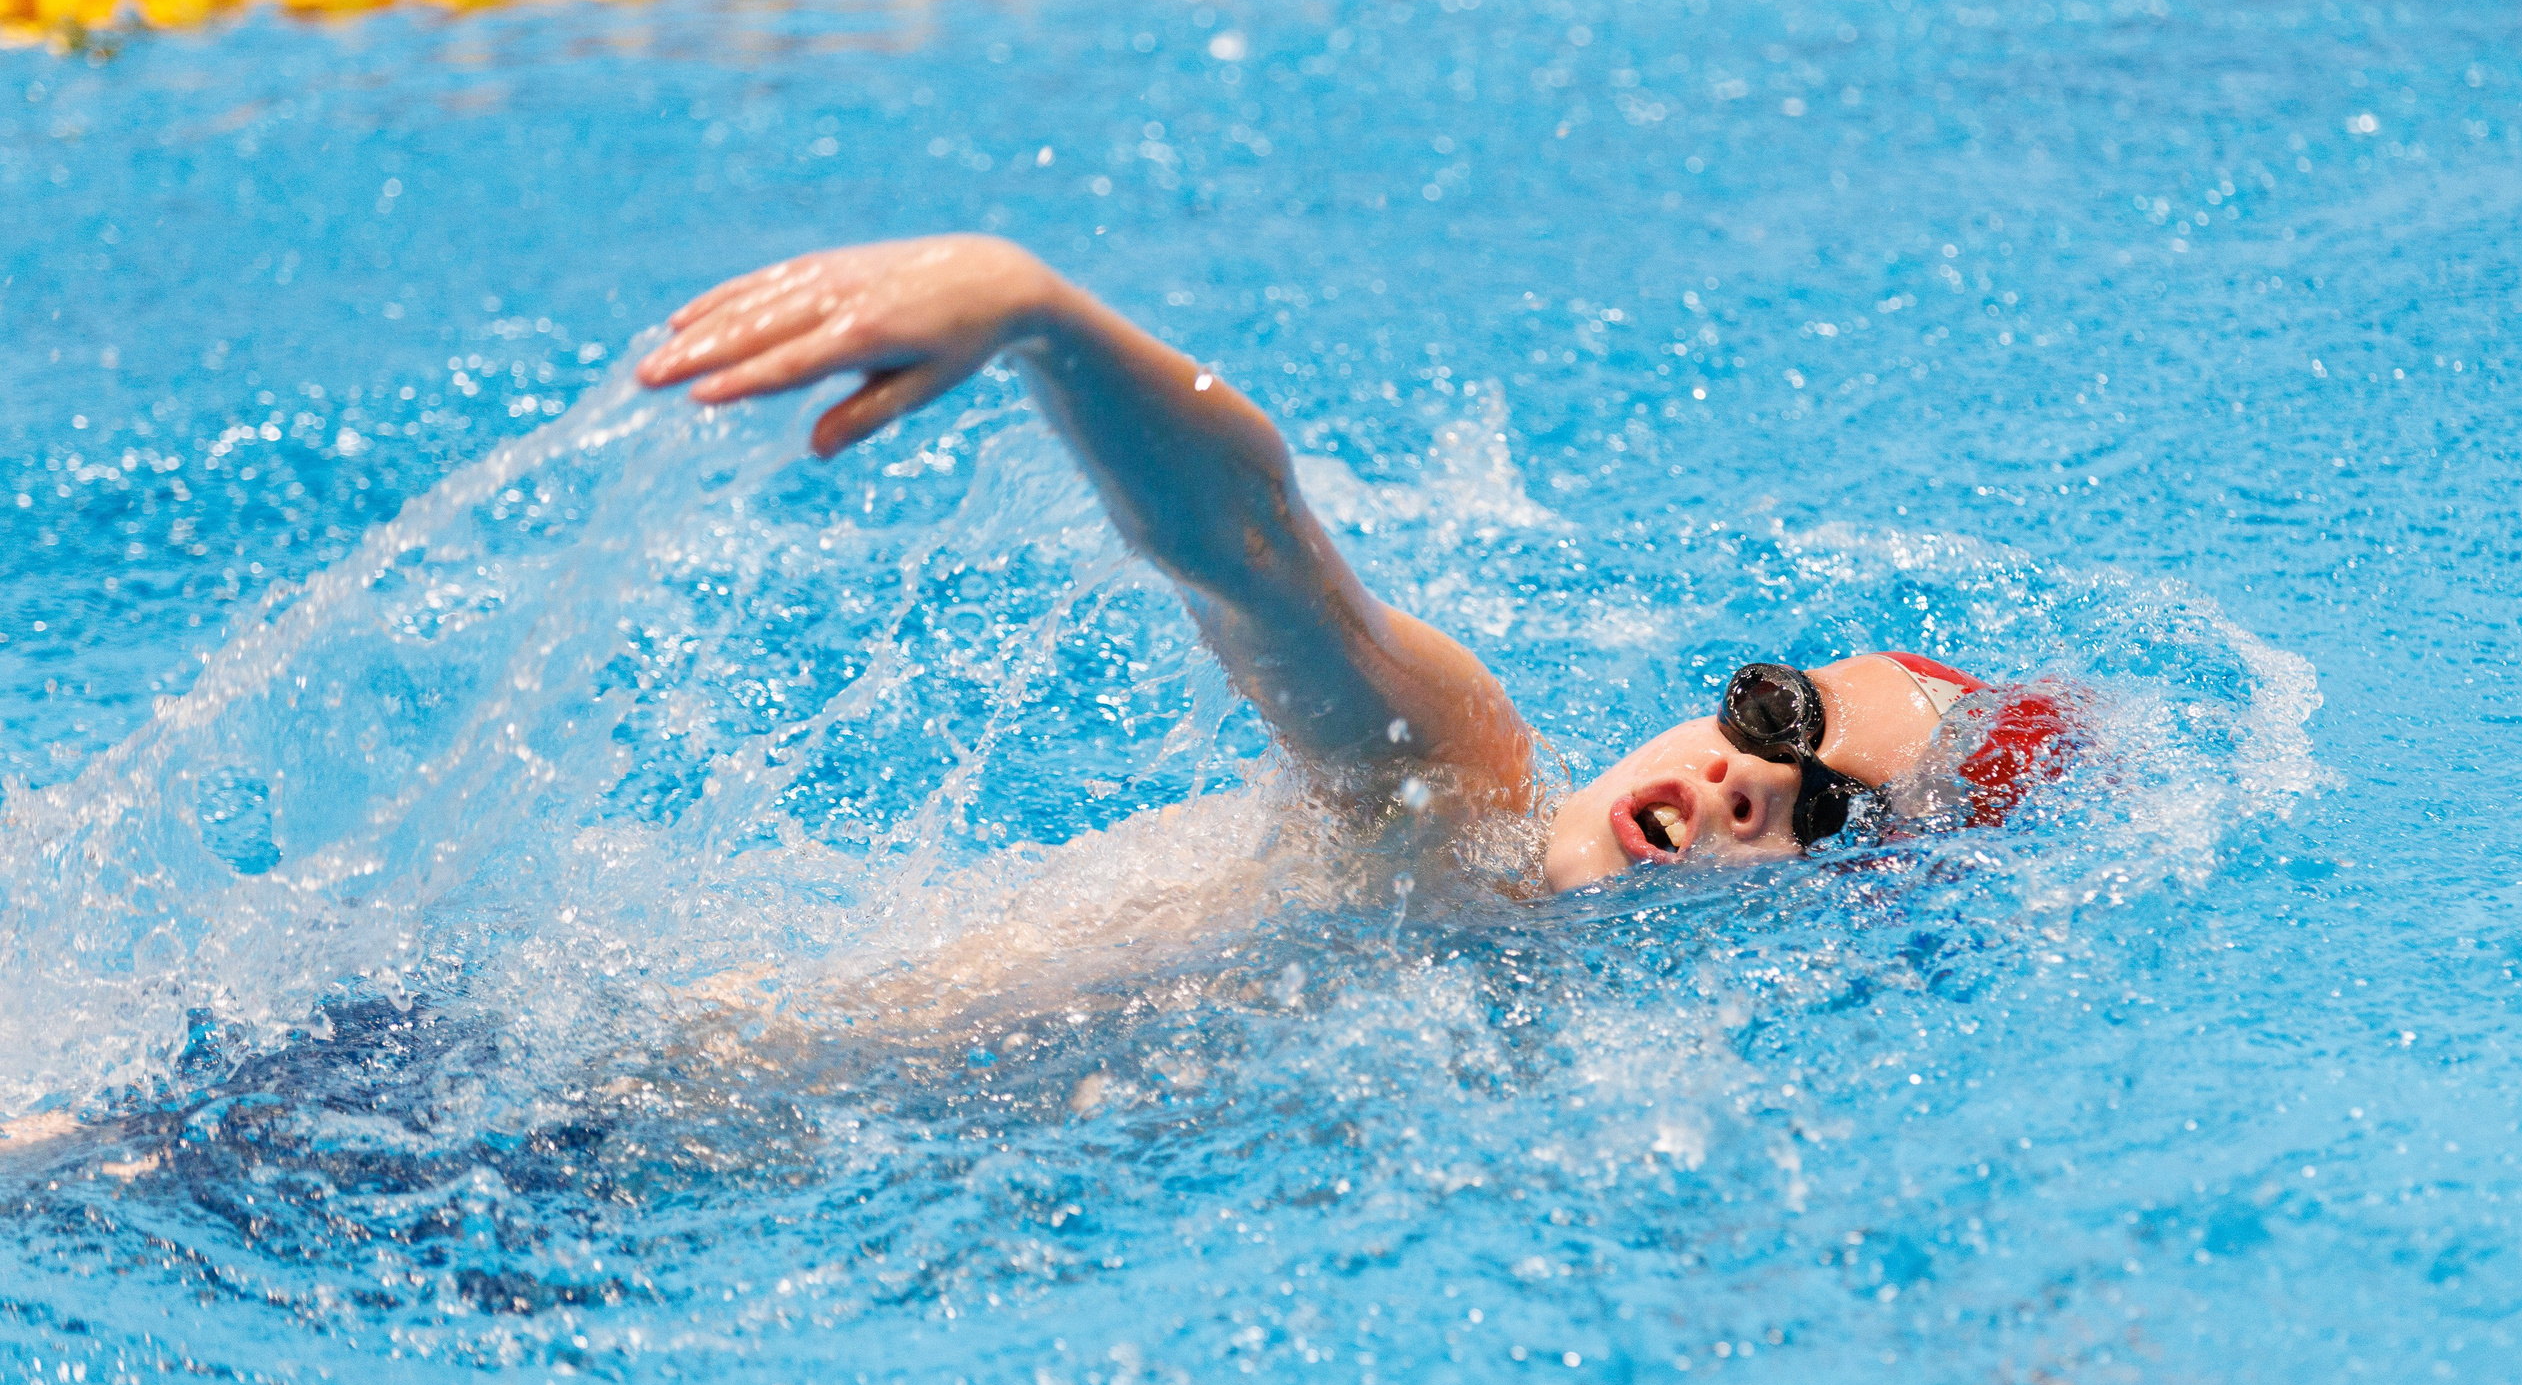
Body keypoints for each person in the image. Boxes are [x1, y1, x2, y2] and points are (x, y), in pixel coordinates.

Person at [637, 234, 2079, 895]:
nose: (1747, 778)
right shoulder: (1457, 789)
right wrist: (1032, 310)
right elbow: (1259, 555)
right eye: (1776, 715)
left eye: (1827, 811)